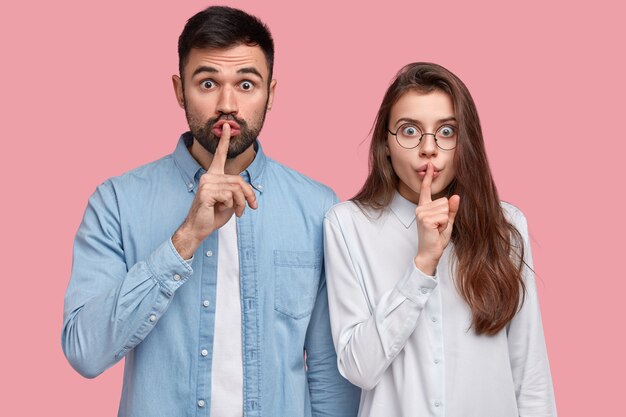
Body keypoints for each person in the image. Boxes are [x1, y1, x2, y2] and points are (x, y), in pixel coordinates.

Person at [62, 6, 359, 417]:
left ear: (271, 93)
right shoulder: (116, 203)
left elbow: (328, 373)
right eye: (207, 83)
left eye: (246, 84)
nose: (227, 104)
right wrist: (184, 238)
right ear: (179, 89)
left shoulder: (319, 208)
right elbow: (85, 351)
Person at [323, 62, 557, 416]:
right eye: (409, 131)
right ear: (385, 143)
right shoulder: (348, 225)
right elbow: (359, 368)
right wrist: (422, 266)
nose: (428, 148)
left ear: (465, 144)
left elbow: (530, 373)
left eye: (446, 132)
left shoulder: (506, 224)